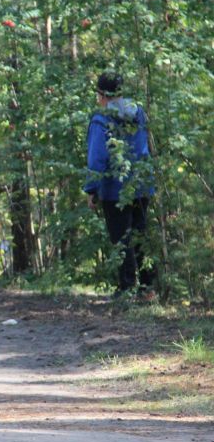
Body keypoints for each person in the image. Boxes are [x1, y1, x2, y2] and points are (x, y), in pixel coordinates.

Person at [84, 71, 156, 300]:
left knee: (121, 239)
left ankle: (127, 289)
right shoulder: (138, 112)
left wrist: (91, 189)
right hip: (142, 183)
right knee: (140, 235)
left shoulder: (101, 119)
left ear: (102, 95)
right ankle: (148, 288)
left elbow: (97, 157)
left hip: (115, 188)